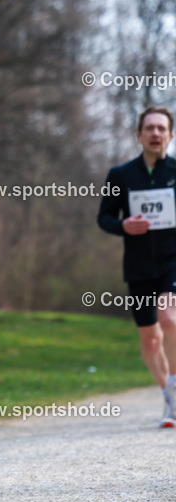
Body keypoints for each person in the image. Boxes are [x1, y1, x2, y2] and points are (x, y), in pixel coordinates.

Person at [97, 105, 176, 428]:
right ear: (139, 134)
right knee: (150, 340)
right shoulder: (121, 175)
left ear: (170, 135)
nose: (155, 133)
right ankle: (169, 395)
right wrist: (123, 226)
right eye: (150, 128)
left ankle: (175, 387)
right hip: (139, 266)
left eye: (161, 128)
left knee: (170, 318)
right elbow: (103, 217)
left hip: (173, 262)